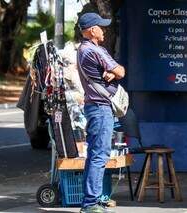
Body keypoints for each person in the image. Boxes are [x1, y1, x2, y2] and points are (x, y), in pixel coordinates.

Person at [76, 12, 125, 213]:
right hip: (100, 108)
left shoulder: (85, 50)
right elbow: (121, 71)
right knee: (99, 156)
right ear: (92, 30)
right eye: (101, 27)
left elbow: (116, 71)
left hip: (95, 108)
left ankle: (90, 200)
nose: (104, 30)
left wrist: (111, 72)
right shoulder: (94, 51)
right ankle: (90, 204)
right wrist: (114, 71)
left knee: (94, 155)